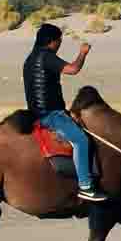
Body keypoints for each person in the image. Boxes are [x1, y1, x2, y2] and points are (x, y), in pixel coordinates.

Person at [23, 21, 104, 202]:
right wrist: (83, 53)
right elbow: (73, 69)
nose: (59, 45)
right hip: (50, 115)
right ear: (51, 42)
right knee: (81, 140)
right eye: (59, 41)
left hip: (37, 112)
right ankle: (85, 186)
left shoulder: (30, 58)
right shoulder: (47, 56)